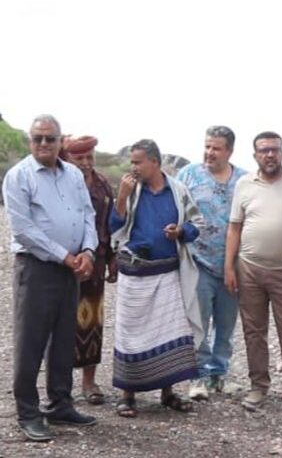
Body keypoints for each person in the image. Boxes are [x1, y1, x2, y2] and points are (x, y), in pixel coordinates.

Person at [2, 114, 98, 441]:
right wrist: (64, 255)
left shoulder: (72, 174)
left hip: (72, 268)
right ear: (30, 141)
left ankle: (60, 402)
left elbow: (87, 214)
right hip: (37, 267)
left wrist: (88, 251)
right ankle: (28, 412)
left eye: (50, 138)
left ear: (60, 142)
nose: (44, 143)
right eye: (38, 138)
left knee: (64, 338)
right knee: (31, 340)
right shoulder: (19, 177)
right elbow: (24, 228)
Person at [109, 139, 204, 418]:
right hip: (135, 274)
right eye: (131, 162)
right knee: (130, 334)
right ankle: (127, 395)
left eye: (137, 162)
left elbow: (197, 225)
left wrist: (180, 232)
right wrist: (122, 197)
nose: (133, 167)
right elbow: (113, 226)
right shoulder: (131, 189)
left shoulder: (178, 191)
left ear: (154, 162)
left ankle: (168, 393)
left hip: (167, 273)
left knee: (170, 333)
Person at [224, 131, 282, 417]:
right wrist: (229, 268)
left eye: (275, 150)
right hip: (249, 270)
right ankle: (258, 386)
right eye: (264, 150)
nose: (270, 155)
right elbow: (234, 227)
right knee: (253, 331)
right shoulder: (244, 184)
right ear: (255, 155)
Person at [176, 126, 247, 400]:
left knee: (226, 325)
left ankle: (219, 374)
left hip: (233, 265)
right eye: (207, 146)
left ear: (229, 150)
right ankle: (198, 376)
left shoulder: (243, 180)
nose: (209, 152)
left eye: (216, 148)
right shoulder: (188, 175)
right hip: (198, 262)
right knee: (198, 322)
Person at [62, 135, 117, 406]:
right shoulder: (59, 182)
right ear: (68, 157)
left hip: (95, 264)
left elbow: (110, 223)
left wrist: (112, 258)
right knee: (61, 323)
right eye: (79, 157)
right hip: (64, 264)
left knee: (91, 322)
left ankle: (88, 382)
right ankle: (60, 386)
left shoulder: (103, 184)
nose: (85, 163)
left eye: (88, 157)